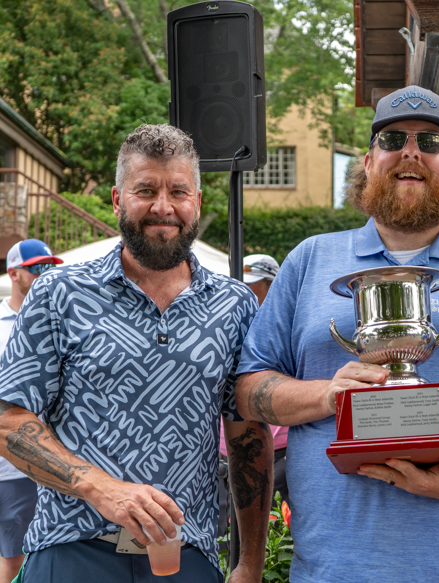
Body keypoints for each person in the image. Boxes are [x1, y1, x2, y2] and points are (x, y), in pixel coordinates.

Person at [233, 85, 439, 582]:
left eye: (430, 142)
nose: (411, 152)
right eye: (393, 139)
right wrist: (327, 395)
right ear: (368, 162)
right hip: (330, 570)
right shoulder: (309, 260)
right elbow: (247, 392)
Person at [0, 124, 271, 583]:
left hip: (187, 556)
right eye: (145, 190)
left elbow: (247, 434)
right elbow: (8, 419)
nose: (163, 206)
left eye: (178, 192)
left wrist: (250, 564)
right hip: (72, 550)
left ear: (197, 201)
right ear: (117, 200)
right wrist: (100, 488)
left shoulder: (235, 304)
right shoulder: (60, 292)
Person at [0, 239, 62, 583]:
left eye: (50, 266)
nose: (46, 274)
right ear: (13, 273)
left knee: (43, 556)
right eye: (37, 268)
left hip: (55, 461)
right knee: (15, 558)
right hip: (11, 466)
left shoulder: (62, 320)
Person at [219, 254, 289, 509]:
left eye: (251, 285)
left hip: (279, 451)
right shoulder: (227, 328)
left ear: (272, 286)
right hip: (227, 453)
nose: (243, 292)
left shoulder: (285, 330)